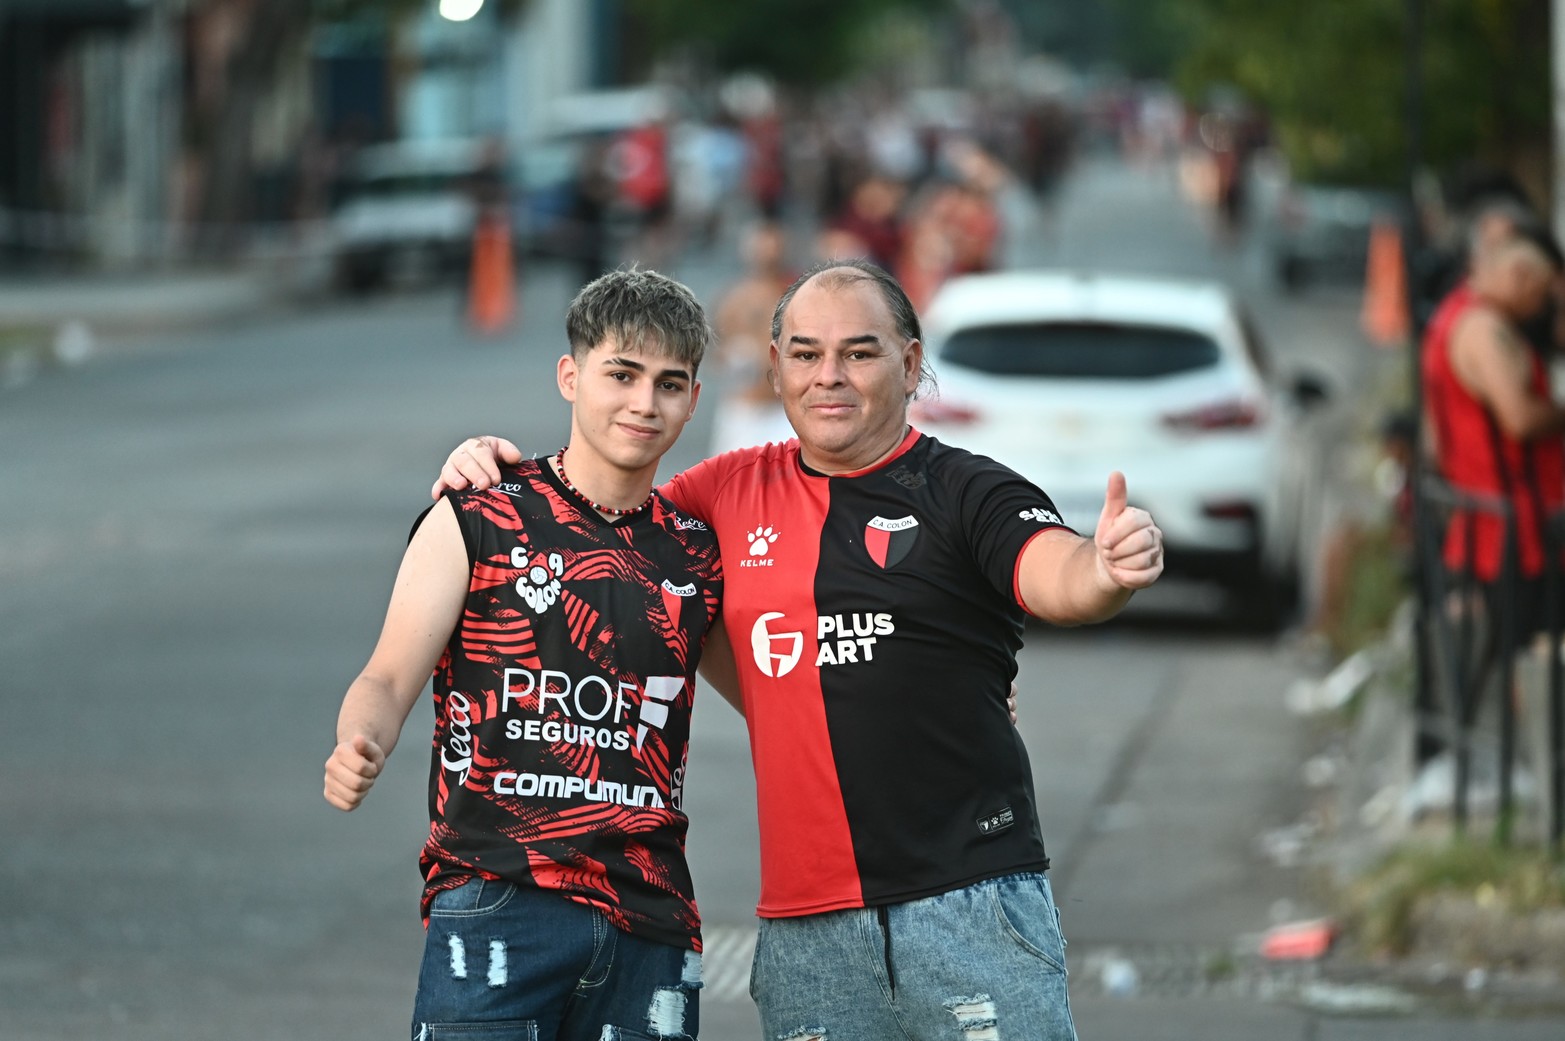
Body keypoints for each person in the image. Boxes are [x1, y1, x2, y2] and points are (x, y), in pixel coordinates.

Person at [437, 258, 1165, 1040]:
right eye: (807, 353)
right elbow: (587, 521)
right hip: (806, 934)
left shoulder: (967, 490)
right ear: (776, 365)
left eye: (859, 352)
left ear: (910, 364)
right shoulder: (723, 490)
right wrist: (482, 471)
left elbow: (1052, 571)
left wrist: (1103, 567)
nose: (831, 377)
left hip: (970, 906)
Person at [324, 269, 723, 1041]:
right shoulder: (477, 516)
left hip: (651, 919)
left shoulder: (696, 555)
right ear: (570, 376)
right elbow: (385, 675)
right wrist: (359, 739)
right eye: (622, 374)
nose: (645, 402)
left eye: (670, 383)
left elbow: (789, 694)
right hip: (497, 900)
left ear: (693, 401)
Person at [1421, 228, 1565, 646]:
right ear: (1518, 275)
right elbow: (1519, 418)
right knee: (1529, 658)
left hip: (1492, 524)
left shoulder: (1454, 317)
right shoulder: (1486, 331)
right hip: (1515, 531)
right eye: (1541, 295)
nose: (1540, 308)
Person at [708, 220, 796, 453]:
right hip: (743, 410)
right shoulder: (733, 298)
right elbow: (714, 350)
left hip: (782, 411)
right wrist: (735, 359)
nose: (767, 254)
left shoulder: (795, 297)